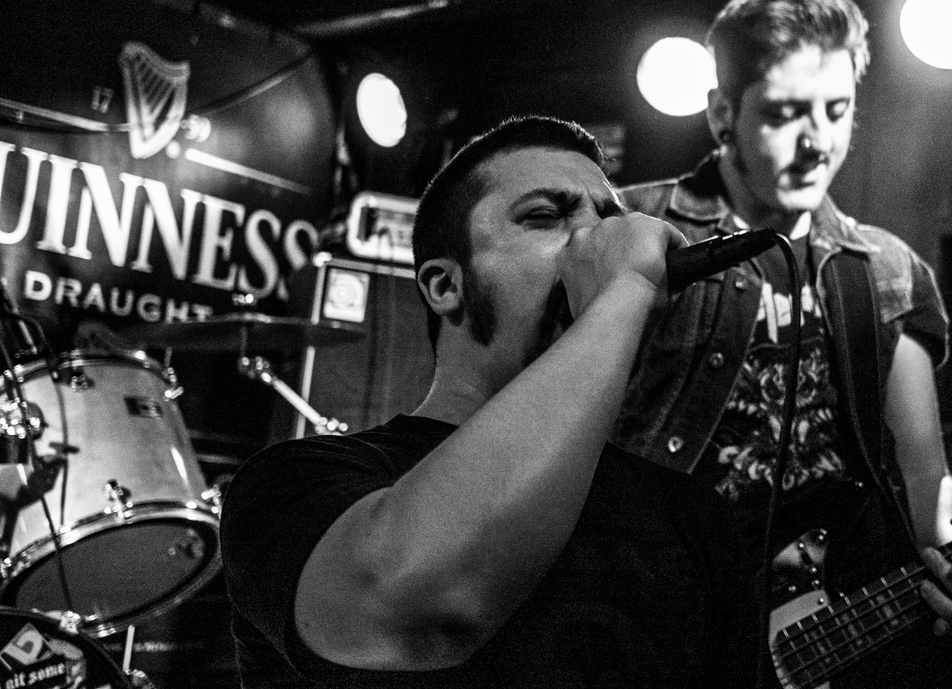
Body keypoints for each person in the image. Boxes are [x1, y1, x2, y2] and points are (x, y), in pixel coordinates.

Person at [614, 0, 952, 688]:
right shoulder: (634, 231)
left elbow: (925, 478)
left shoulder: (886, 269)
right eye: (784, 114)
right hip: (664, 624)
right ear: (723, 113)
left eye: (837, 110)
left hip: (834, 617)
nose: (816, 142)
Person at [220, 116, 759, 688]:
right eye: (545, 216)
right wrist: (626, 287)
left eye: (611, 223)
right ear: (445, 285)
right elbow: (407, 611)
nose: (597, 242)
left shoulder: (691, 518)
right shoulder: (294, 481)